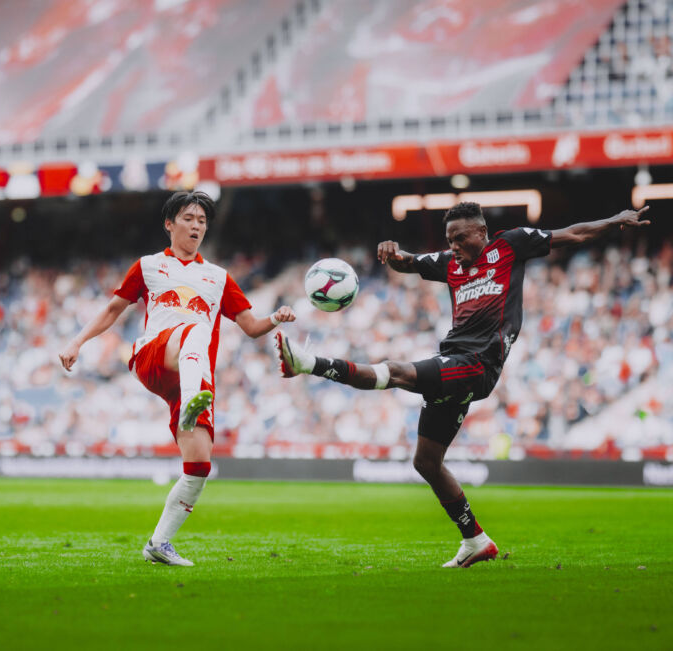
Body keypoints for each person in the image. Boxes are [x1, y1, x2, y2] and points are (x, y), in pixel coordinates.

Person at [276, 202, 651, 568]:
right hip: (453, 362)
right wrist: (391, 253)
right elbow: (409, 261)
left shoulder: (509, 245)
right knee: (426, 461)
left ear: (481, 233)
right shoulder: (450, 265)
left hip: (478, 365)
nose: (452, 246)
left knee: (397, 371)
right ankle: (475, 540)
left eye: (458, 238)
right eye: (448, 239)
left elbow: (573, 233)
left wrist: (615, 219)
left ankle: (308, 363)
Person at [59, 190, 296, 566]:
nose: (197, 226)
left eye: (202, 221)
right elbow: (112, 309)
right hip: (154, 356)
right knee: (196, 329)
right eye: (189, 218)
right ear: (169, 224)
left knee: (200, 465)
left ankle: (158, 544)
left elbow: (250, 326)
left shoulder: (218, 277)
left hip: (193, 372)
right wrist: (77, 342)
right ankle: (190, 401)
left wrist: (275, 319)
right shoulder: (149, 266)